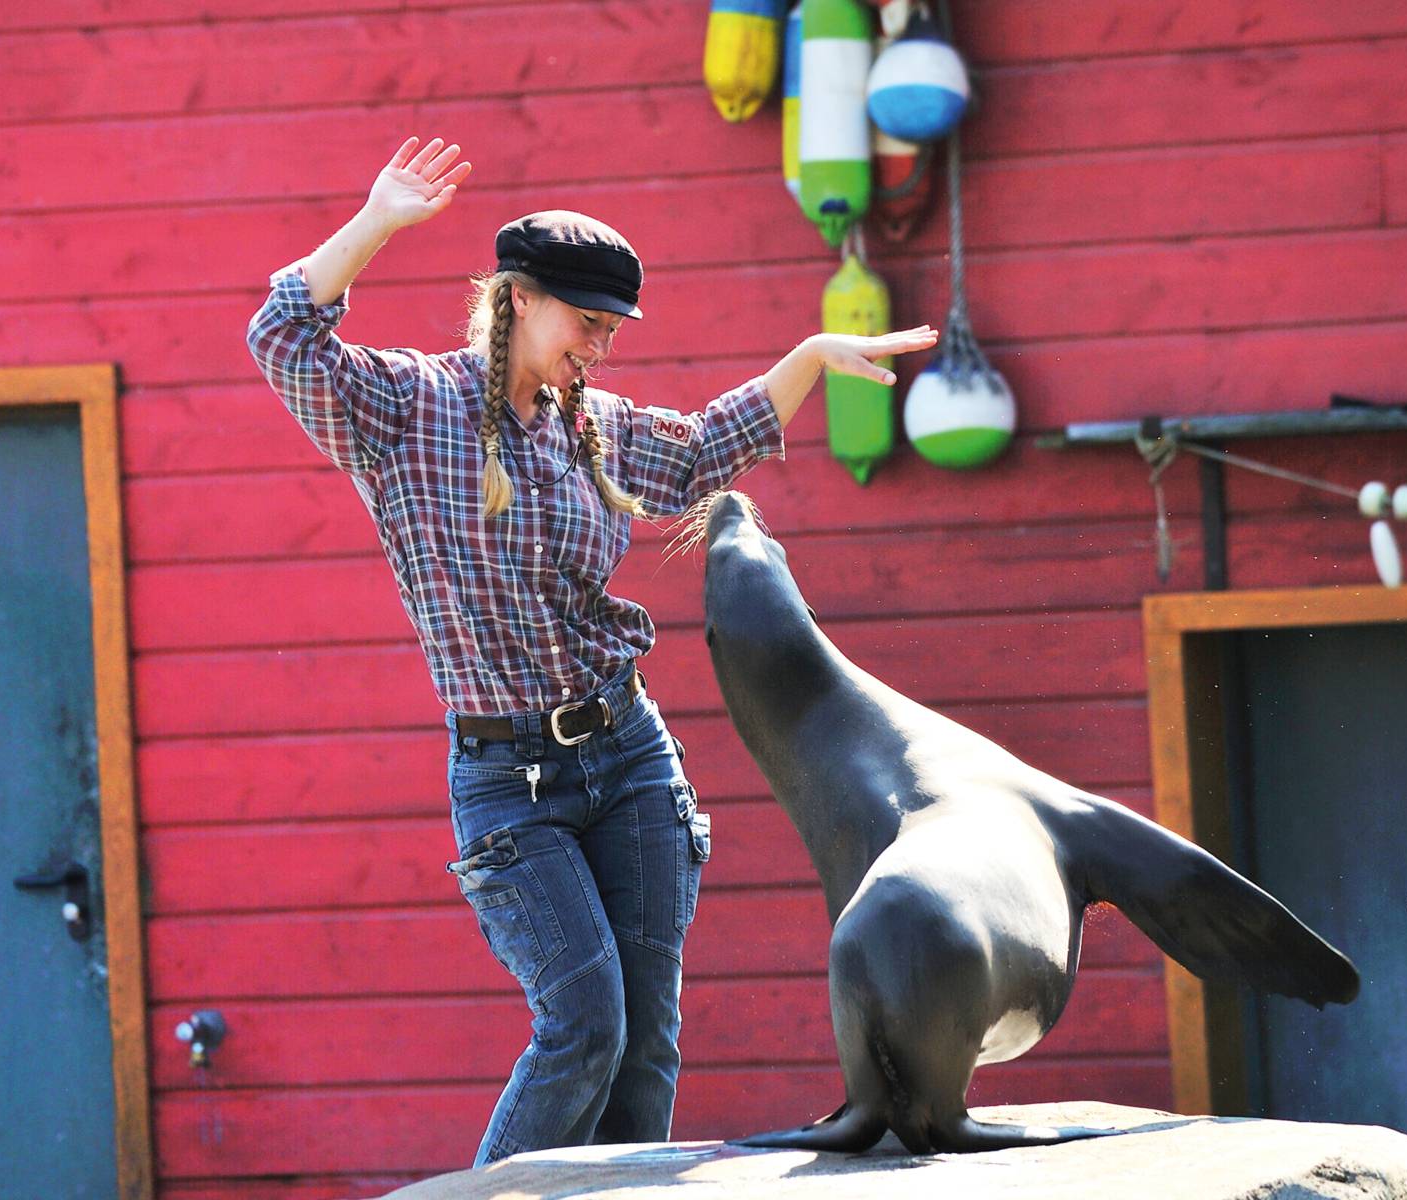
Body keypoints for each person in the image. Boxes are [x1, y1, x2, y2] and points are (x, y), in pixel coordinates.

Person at [246, 135, 938, 1166]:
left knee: (646, 1046)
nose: (600, 347)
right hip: (506, 781)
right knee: (583, 1028)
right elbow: (283, 335)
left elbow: (700, 452)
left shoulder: (594, 428)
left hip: (628, 759)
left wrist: (802, 361)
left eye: (612, 330)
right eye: (586, 323)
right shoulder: (407, 409)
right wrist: (380, 220)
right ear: (518, 299)